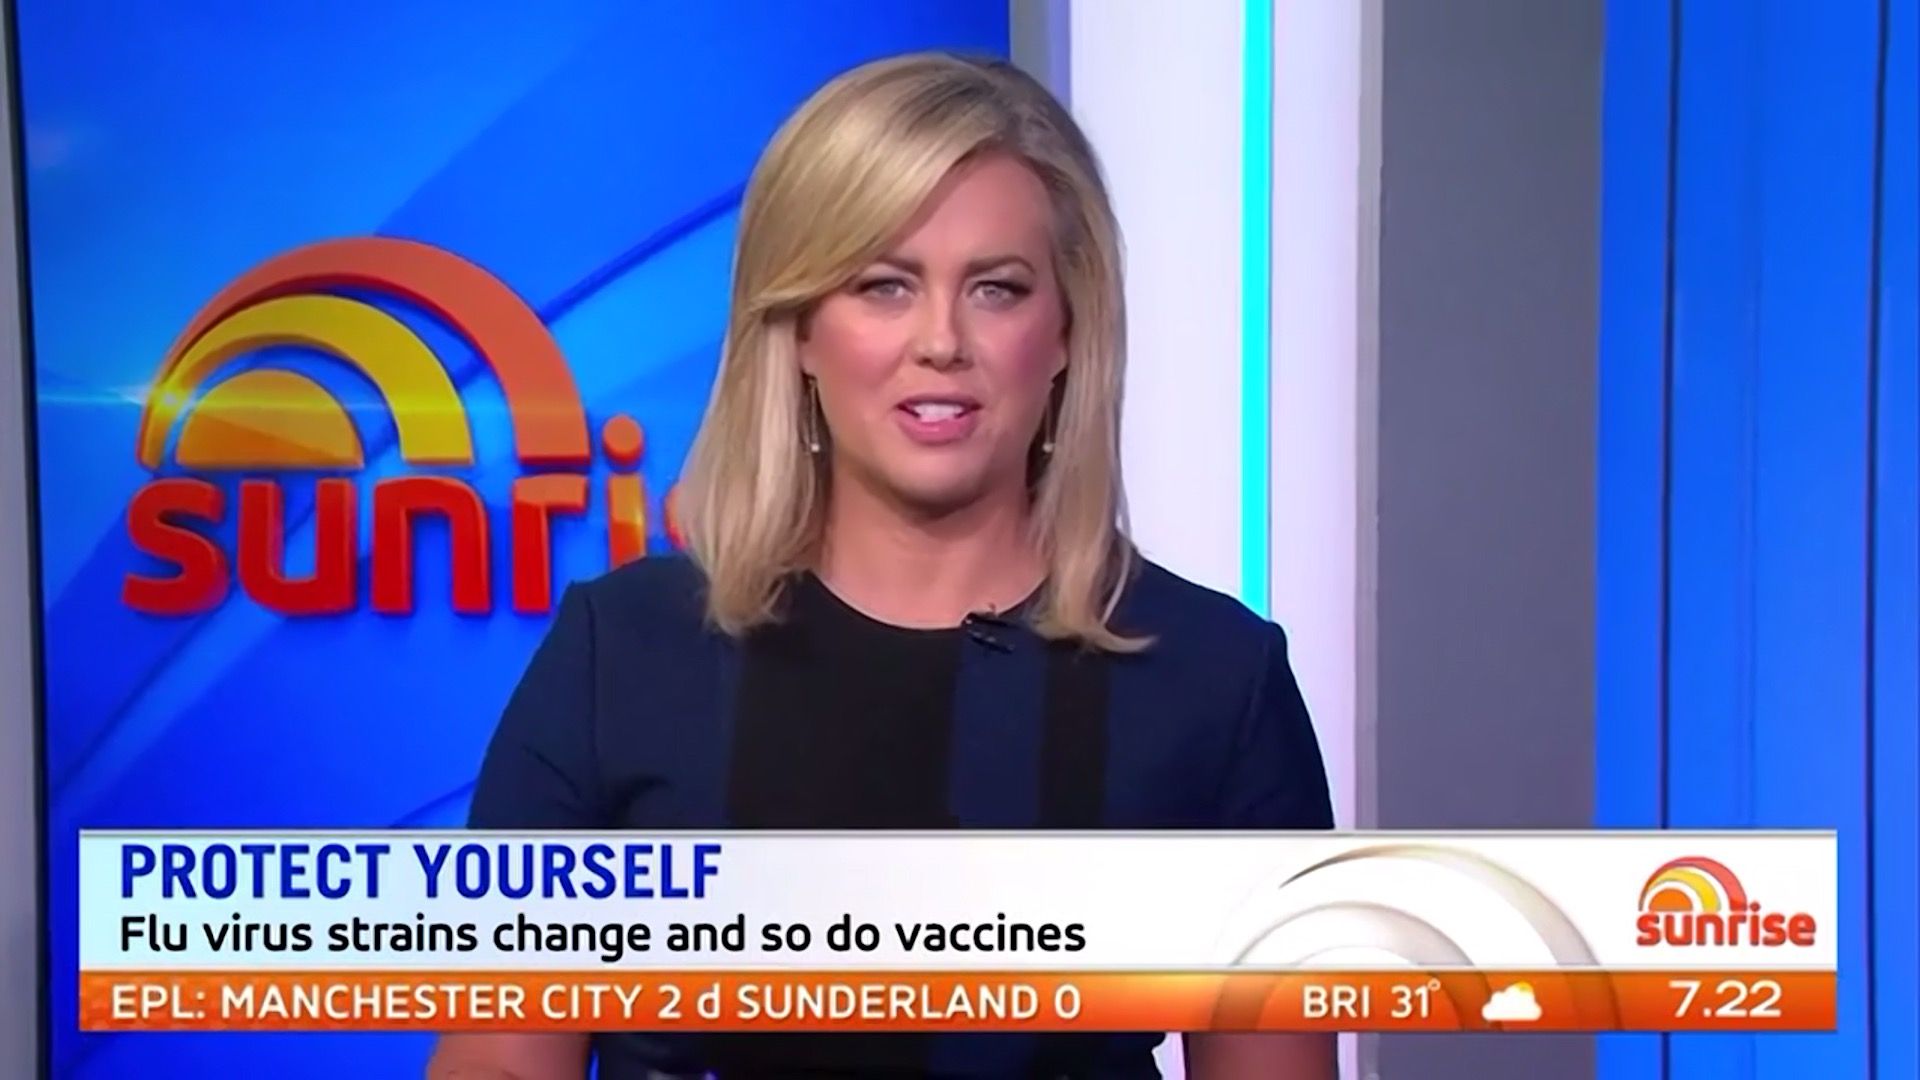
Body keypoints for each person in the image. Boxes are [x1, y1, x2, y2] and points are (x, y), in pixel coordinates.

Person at [428, 51, 1336, 1080]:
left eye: (995, 289)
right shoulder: (623, 656)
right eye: (884, 286)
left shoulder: (1215, 681)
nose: (941, 341)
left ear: (1066, 333)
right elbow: (502, 1061)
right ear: (799, 331)